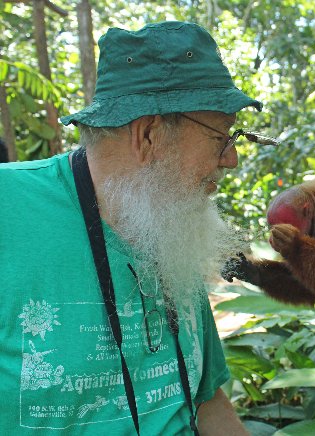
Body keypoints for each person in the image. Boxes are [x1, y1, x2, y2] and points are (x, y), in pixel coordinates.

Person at [0, 21, 277, 435]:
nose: (232, 158)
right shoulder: (10, 205)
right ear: (148, 135)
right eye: (221, 137)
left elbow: (207, 401)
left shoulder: (171, 226)